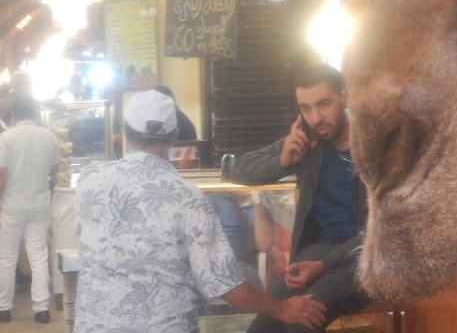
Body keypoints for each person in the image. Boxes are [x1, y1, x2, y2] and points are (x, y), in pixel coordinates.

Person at [73, 89, 326, 333]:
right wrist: (283, 309)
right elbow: (223, 283)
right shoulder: (187, 197)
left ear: (124, 131)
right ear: (175, 135)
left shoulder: (89, 179)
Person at [231, 64, 370, 333]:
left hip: (367, 258)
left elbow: (379, 231)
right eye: (306, 109)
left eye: (324, 104)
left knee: (303, 322)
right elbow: (240, 169)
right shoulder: (308, 142)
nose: (316, 117)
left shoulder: (374, 146)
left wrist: (322, 265)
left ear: (346, 97)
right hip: (319, 251)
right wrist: (282, 162)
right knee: (262, 327)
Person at [0, 95, 59, 324]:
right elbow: (54, 170)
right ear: (35, 113)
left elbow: (2, 173)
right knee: (38, 256)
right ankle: (42, 309)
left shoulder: (5, 138)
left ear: (13, 115)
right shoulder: (49, 136)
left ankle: (4, 309)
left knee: (6, 257)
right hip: (38, 205)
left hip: (11, 206)